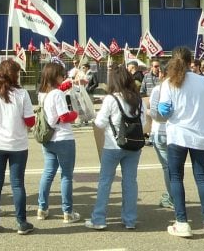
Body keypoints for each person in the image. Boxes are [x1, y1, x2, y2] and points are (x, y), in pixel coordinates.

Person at [158, 47, 204, 239]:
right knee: (202, 178)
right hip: (200, 136)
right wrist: (201, 114)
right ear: (190, 61)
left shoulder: (168, 83)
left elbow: (164, 111)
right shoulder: (203, 81)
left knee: (176, 177)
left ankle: (182, 222)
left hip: (177, 136)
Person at [86, 65, 147, 231]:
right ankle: (130, 220)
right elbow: (144, 122)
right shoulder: (138, 99)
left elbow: (100, 123)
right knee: (130, 183)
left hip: (112, 146)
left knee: (105, 182)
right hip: (134, 145)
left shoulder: (111, 99)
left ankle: (98, 219)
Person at [0, 59, 35, 235]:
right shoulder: (22, 94)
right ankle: (21, 222)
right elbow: (30, 121)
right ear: (15, 75)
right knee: (17, 184)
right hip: (18, 144)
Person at [37, 62, 80, 224]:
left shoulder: (44, 94)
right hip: (63, 138)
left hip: (49, 139)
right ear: (55, 76)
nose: (63, 77)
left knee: (48, 173)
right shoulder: (57, 94)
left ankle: (42, 208)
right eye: (62, 75)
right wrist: (75, 114)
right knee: (66, 176)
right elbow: (64, 117)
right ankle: (67, 211)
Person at [148, 64, 173, 209]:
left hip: (161, 131)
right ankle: (173, 194)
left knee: (167, 167)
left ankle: (172, 197)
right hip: (176, 132)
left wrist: (147, 111)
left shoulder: (159, 89)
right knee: (175, 167)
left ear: (161, 74)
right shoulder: (179, 88)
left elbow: (155, 114)